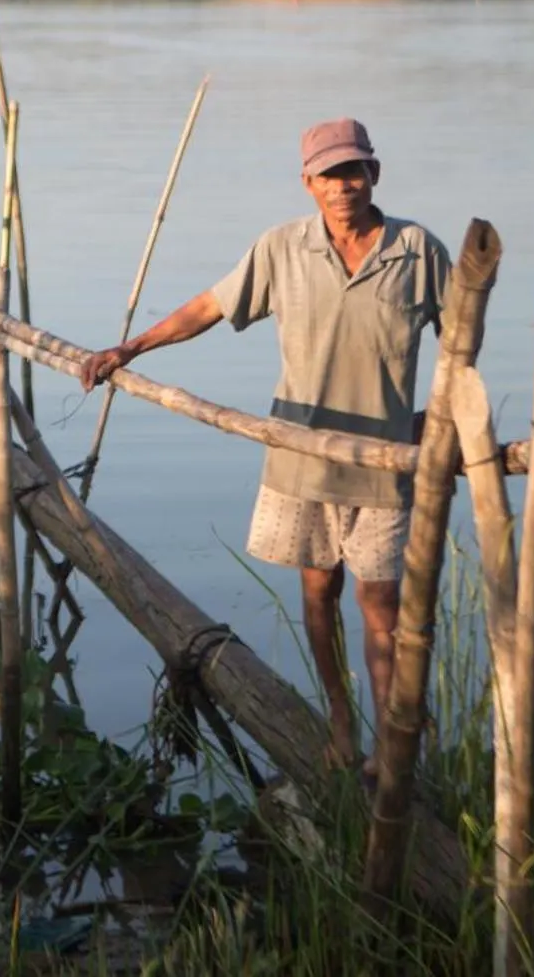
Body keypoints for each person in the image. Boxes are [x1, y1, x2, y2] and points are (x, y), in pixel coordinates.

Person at [79, 118, 449, 770]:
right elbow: (209, 307)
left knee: (382, 604)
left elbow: (462, 343)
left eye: (354, 172)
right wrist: (129, 346)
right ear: (308, 183)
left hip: (387, 462)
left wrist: (439, 416)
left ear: (376, 174)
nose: (344, 187)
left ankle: (393, 746)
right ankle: (340, 718)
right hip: (301, 457)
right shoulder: (283, 248)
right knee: (319, 591)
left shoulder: (418, 250)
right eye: (330, 175)